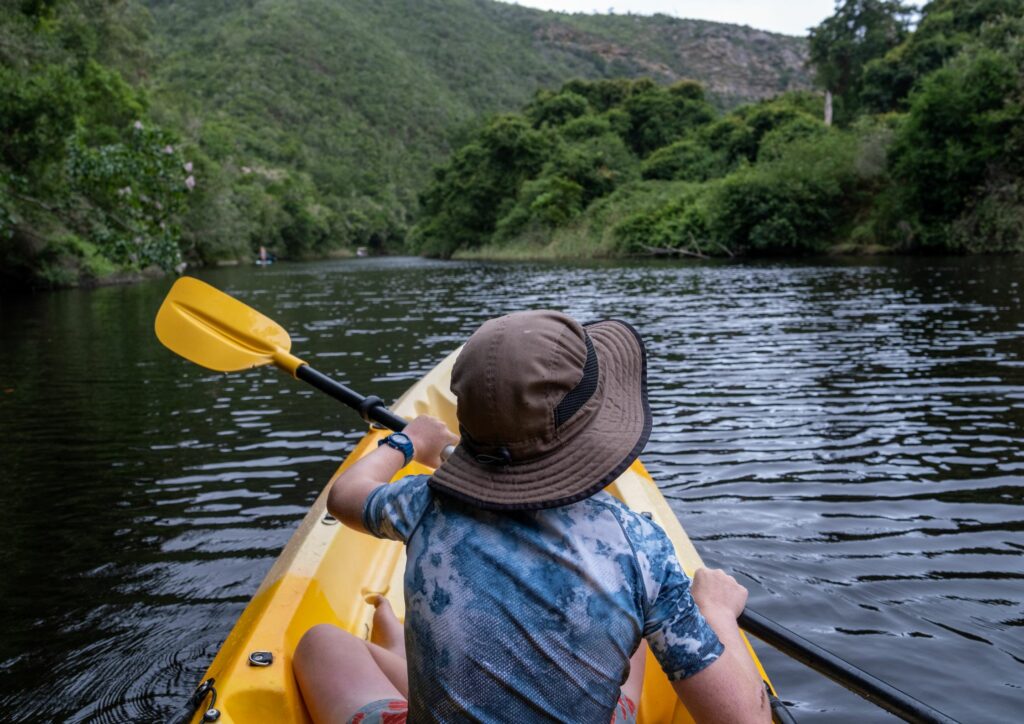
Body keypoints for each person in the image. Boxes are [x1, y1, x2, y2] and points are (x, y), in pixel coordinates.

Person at [294, 311, 770, 723]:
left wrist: (409, 443)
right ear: (598, 428)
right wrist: (718, 613)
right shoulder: (637, 546)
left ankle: (406, 657)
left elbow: (347, 496)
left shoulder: (425, 503)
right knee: (642, 627)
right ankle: (403, 655)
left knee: (320, 643)